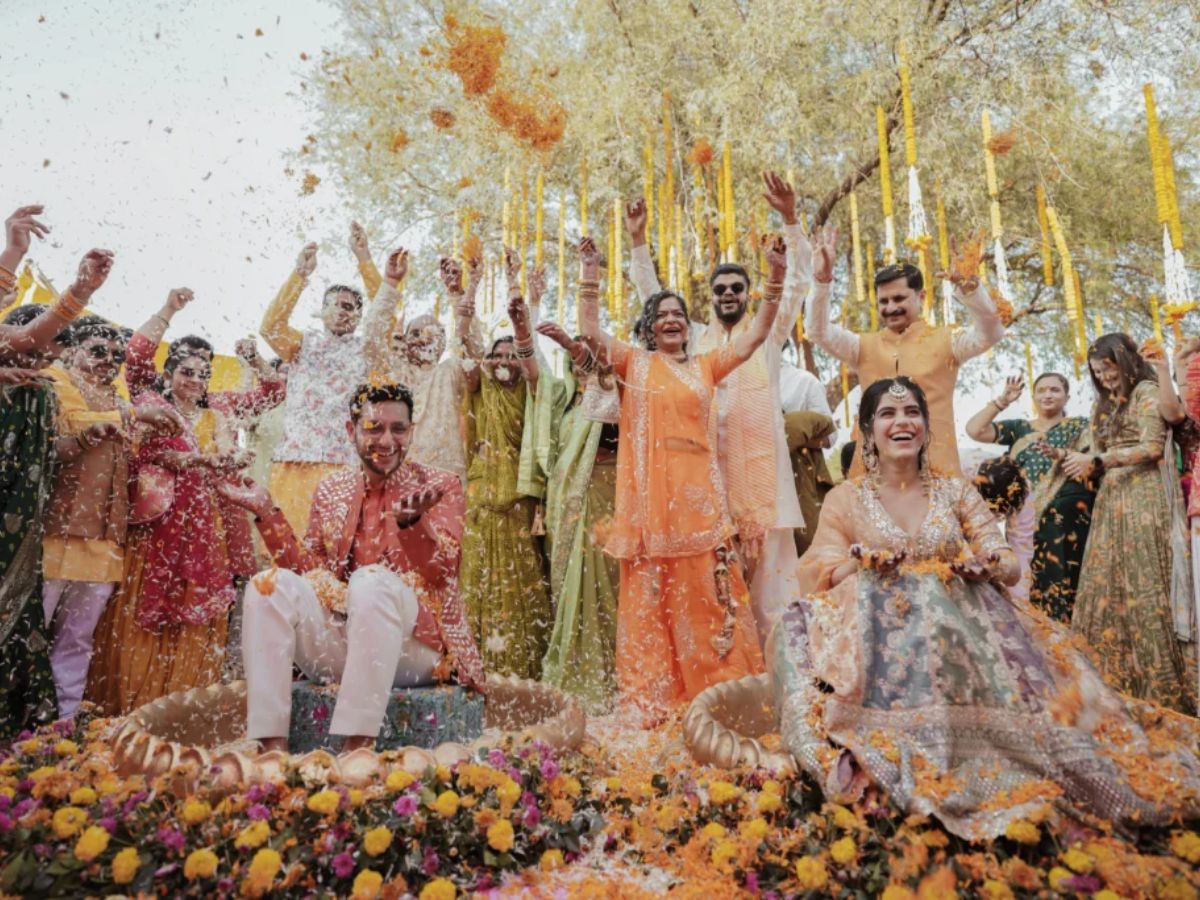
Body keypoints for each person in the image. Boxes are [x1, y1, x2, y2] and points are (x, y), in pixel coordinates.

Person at [768, 376, 1200, 839]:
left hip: (964, 637)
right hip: (877, 643)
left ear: (925, 425)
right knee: (794, 625)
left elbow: (1008, 561)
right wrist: (864, 564)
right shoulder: (846, 498)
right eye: (888, 415)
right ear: (867, 430)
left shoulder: (956, 492)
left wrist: (987, 563)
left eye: (911, 412)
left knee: (939, 598)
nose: (902, 422)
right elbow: (820, 565)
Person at [580, 229, 787, 720]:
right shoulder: (635, 364)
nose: (671, 321)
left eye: (678, 315)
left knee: (711, 607)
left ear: (688, 328)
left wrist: (776, 277)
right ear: (649, 328)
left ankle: (722, 701)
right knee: (654, 612)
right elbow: (590, 331)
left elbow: (756, 334)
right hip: (651, 519)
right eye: (661, 316)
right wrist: (590, 273)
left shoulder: (705, 367)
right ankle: (656, 710)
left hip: (701, 513)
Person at [224, 382, 483, 752]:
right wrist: (268, 515)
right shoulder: (332, 489)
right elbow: (312, 574)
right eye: (374, 428)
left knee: (371, 581)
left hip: (417, 652)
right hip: (347, 643)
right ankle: (272, 749)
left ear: (411, 431)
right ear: (352, 430)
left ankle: (357, 749)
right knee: (267, 585)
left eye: (398, 428)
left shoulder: (439, 484)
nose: (387, 440)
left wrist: (414, 527)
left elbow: (443, 570)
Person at [627, 172, 823, 639]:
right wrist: (637, 241)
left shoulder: (768, 336)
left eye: (737, 287)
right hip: (710, 490)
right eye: (721, 290)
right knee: (720, 595)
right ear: (711, 298)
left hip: (764, 487)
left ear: (748, 292)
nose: (729, 294)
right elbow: (651, 299)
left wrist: (791, 220)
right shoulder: (695, 344)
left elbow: (797, 283)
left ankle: (784, 683)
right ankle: (733, 682)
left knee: (776, 597)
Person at [85, 338, 258, 714]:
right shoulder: (152, 407)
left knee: (192, 600)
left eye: (203, 374)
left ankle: (184, 702)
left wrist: (232, 458)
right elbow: (143, 452)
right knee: (147, 600)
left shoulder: (215, 417)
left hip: (200, 518)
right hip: (157, 519)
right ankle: (132, 702)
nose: (196, 380)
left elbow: (224, 452)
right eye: (187, 372)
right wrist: (198, 460)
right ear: (168, 374)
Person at [0, 230, 113, 736]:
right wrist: (77, 290)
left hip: (22, 531)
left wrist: (90, 440)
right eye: (40, 350)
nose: (45, 361)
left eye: (51, 355)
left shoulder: (41, 393)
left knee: (20, 625)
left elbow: (48, 456)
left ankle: (23, 728)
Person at [40, 317, 183, 717]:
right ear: (73, 350)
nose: (108, 360)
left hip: (103, 541)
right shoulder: (56, 378)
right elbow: (69, 421)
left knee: (77, 640)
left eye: (115, 355)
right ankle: (15, 722)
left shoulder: (118, 398)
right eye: (98, 350)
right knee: (29, 634)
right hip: (56, 532)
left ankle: (62, 726)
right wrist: (137, 418)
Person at [806, 234, 1005, 477]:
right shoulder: (862, 347)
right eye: (883, 301)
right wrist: (821, 281)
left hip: (935, 473)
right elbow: (817, 332)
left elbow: (992, 333)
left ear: (921, 297)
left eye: (899, 298)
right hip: (874, 476)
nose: (890, 308)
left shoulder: (949, 341)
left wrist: (970, 288)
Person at [1067, 333, 1193, 713]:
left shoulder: (1146, 392)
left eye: (1107, 368)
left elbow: (1153, 447)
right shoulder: (1102, 405)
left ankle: (1163, 694)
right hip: (1112, 499)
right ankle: (1108, 689)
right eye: (1096, 372)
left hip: (1145, 496)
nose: (1103, 377)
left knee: (1145, 584)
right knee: (1108, 586)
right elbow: (1095, 452)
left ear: (1125, 361)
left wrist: (1102, 461)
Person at [458, 257, 552, 679]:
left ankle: (523, 670)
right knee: (476, 581)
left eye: (513, 353)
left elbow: (529, 356)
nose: (506, 360)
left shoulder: (533, 391)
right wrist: (471, 286)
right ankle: (473, 667)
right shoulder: (481, 390)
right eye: (499, 354)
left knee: (523, 585)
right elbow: (467, 339)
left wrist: (525, 303)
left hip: (519, 501)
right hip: (480, 501)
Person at [534, 322, 621, 713]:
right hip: (568, 506)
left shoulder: (614, 393)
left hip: (608, 502)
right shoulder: (565, 402)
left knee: (607, 590)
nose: (579, 362)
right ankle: (576, 673)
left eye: (586, 354)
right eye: (574, 357)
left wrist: (571, 342)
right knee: (574, 591)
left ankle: (616, 676)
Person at [965, 373, 1096, 620]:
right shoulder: (1019, 428)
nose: (1048, 394)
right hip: (1022, 519)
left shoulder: (1080, 426)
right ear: (1034, 396)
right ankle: (1030, 633)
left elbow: (1094, 461)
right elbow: (974, 430)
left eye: (1055, 390)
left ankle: (1064, 638)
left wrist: (1061, 454)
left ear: (1067, 396)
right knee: (1022, 578)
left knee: (1062, 577)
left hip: (1062, 519)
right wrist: (1002, 401)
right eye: (1042, 390)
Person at [261, 240, 366, 533]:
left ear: (358, 317)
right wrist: (299, 276)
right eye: (333, 304)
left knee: (335, 551)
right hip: (295, 460)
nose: (341, 311)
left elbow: (388, 320)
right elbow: (270, 328)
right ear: (321, 311)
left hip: (343, 462)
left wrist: (365, 263)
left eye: (349, 307)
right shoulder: (302, 343)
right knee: (287, 550)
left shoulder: (365, 350)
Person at [360, 245, 481, 481]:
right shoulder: (393, 373)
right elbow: (371, 339)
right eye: (415, 333)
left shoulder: (450, 372)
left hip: (444, 480)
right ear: (404, 341)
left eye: (431, 334)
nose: (422, 339)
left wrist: (457, 294)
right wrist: (390, 283)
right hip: (395, 477)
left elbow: (474, 353)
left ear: (443, 343)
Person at [973, 454, 1035, 604]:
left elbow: (1021, 547)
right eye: (991, 509)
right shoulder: (959, 476)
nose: (993, 515)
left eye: (998, 512)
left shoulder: (1021, 493)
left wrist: (1020, 603)